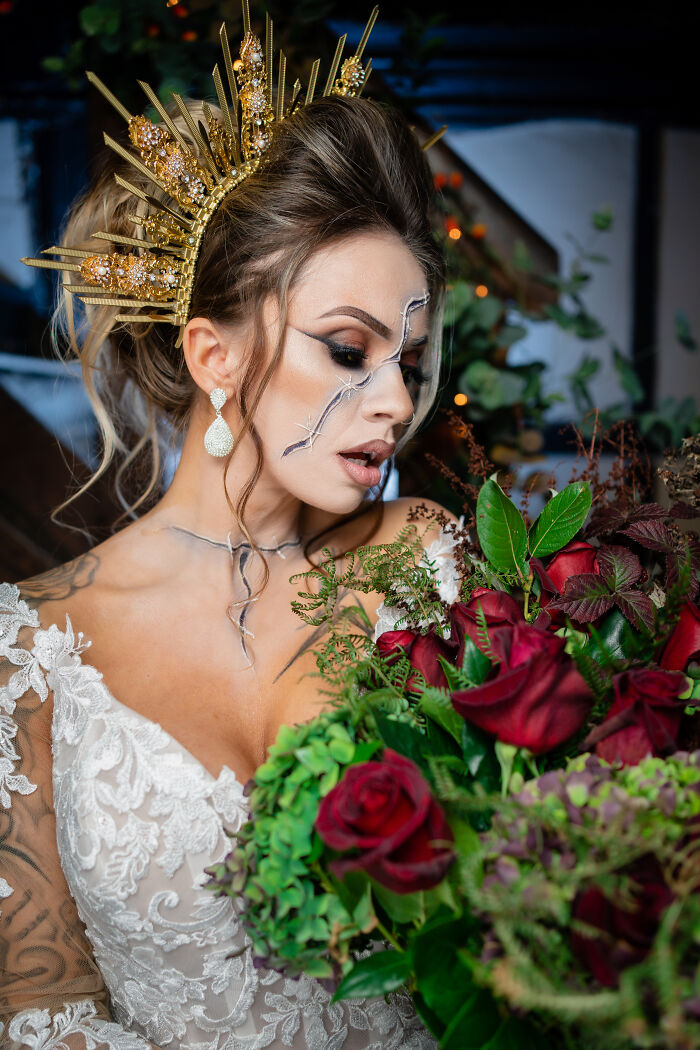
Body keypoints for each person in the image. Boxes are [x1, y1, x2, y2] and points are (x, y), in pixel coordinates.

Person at [0, 10, 451, 1049]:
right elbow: (40, 1013)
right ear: (214, 355)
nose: (395, 402)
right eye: (349, 351)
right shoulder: (31, 647)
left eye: (410, 361)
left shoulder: (429, 559)